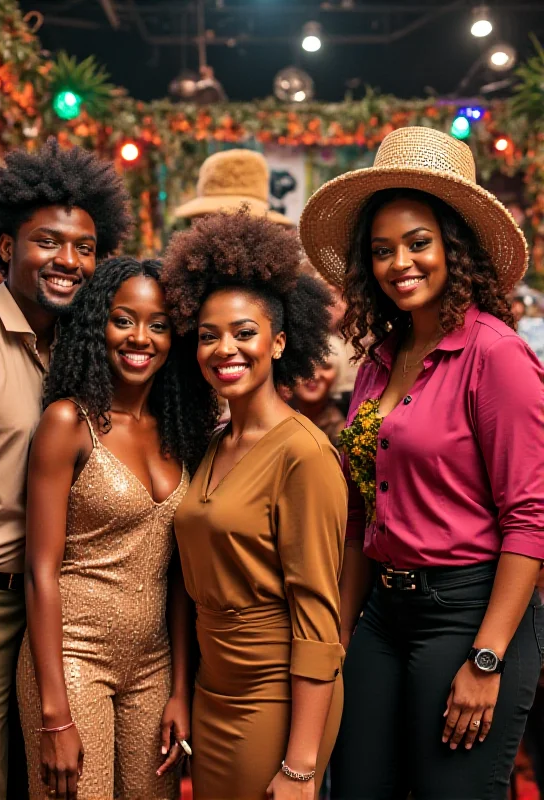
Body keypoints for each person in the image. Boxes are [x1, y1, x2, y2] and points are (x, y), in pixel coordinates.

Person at [300, 126, 544, 800]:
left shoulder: (494, 356)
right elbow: (360, 514)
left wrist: (487, 658)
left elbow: (530, 518)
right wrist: (342, 634)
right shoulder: (380, 359)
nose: (399, 263)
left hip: (469, 611)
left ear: (453, 249)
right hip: (383, 609)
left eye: (417, 244)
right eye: (382, 251)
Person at [0, 138, 130, 800]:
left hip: (53, 614)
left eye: (84, 247)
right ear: (6, 247)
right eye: (48, 242)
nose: (69, 261)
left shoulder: (79, 353)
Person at [161, 209, 346, 800]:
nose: (225, 349)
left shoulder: (305, 454)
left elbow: (320, 617)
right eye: (209, 335)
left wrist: (300, 766)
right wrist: (184, 692)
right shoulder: (215, 443)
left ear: (280, 341)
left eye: (244, 333)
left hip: (276, 696)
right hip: (213, 691)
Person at [16, 257, 217, 800]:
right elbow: (40, 570)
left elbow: (178, 575)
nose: (140, 338)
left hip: (153, 667)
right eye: (124, 319)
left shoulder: (182, 431)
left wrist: (179, 688)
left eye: (157, 325)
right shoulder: (68, 421)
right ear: (95, 325)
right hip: (71, 657)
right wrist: (54, 712)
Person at [289, 345, 344, 446]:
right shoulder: (270, 419)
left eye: (326, 367)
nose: (315, 375)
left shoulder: (342, 433)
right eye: (305, 367)